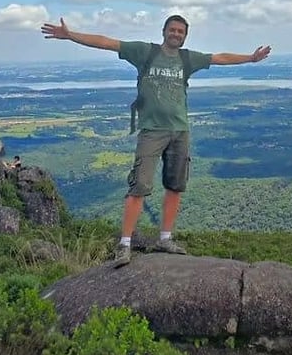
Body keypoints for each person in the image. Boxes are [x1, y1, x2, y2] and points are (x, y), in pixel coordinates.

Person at [41, 14, 271, 265]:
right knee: (139, 187)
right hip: (152, 131)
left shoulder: (188, 58)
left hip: (180, 131)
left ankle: (165, 238)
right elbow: (107, 42)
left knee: (175, 187)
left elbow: (219, 58)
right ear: (164, 31)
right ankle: (125, 245)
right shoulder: (144, 52)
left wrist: (250, 58)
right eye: (172, 30)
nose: (176, 34)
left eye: (181, 32)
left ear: (185, 36)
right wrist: (70, 35)